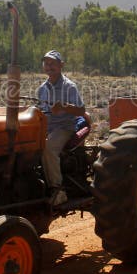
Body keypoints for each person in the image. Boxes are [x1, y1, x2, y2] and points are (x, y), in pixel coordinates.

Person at [36, 50, 85, 206]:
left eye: (53, 63)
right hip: (46, 127)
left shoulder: (69, 87)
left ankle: (58, 190)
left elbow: (81, 110)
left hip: (64, 127)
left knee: (48, 148)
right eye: (46, 63)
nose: (49, 66)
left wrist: (64, 107)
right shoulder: (42, 88)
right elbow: (39, 109)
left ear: (61, 65)